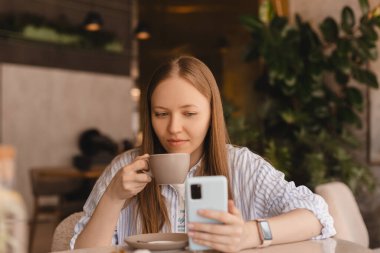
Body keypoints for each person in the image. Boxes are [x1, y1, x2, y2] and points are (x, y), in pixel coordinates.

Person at [70, 56, 336, 251]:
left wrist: (249, 233)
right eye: (161, 114)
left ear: (211, 114)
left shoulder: (241, 165)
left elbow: (317, 216)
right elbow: (81, 251)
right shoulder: (124, 168)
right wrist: (114, 197)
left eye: (190, 114)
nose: (173, 128)